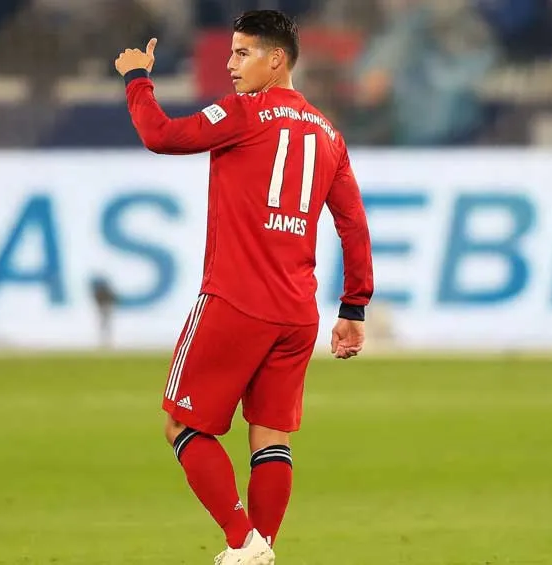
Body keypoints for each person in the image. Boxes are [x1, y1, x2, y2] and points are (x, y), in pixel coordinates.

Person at [115, 10, 373, 564]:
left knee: (181, 425)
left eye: (242, 53)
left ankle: (242, 540)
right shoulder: (329, 134)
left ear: (275, 59)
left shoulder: (244, 113)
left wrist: (138, 80)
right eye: (230, 53)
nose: (229, 66)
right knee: (271, 439)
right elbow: (352, 224)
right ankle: (263, 552)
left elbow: (161, 135)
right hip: (297, 314)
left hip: (235, 301)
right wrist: (354, 307)